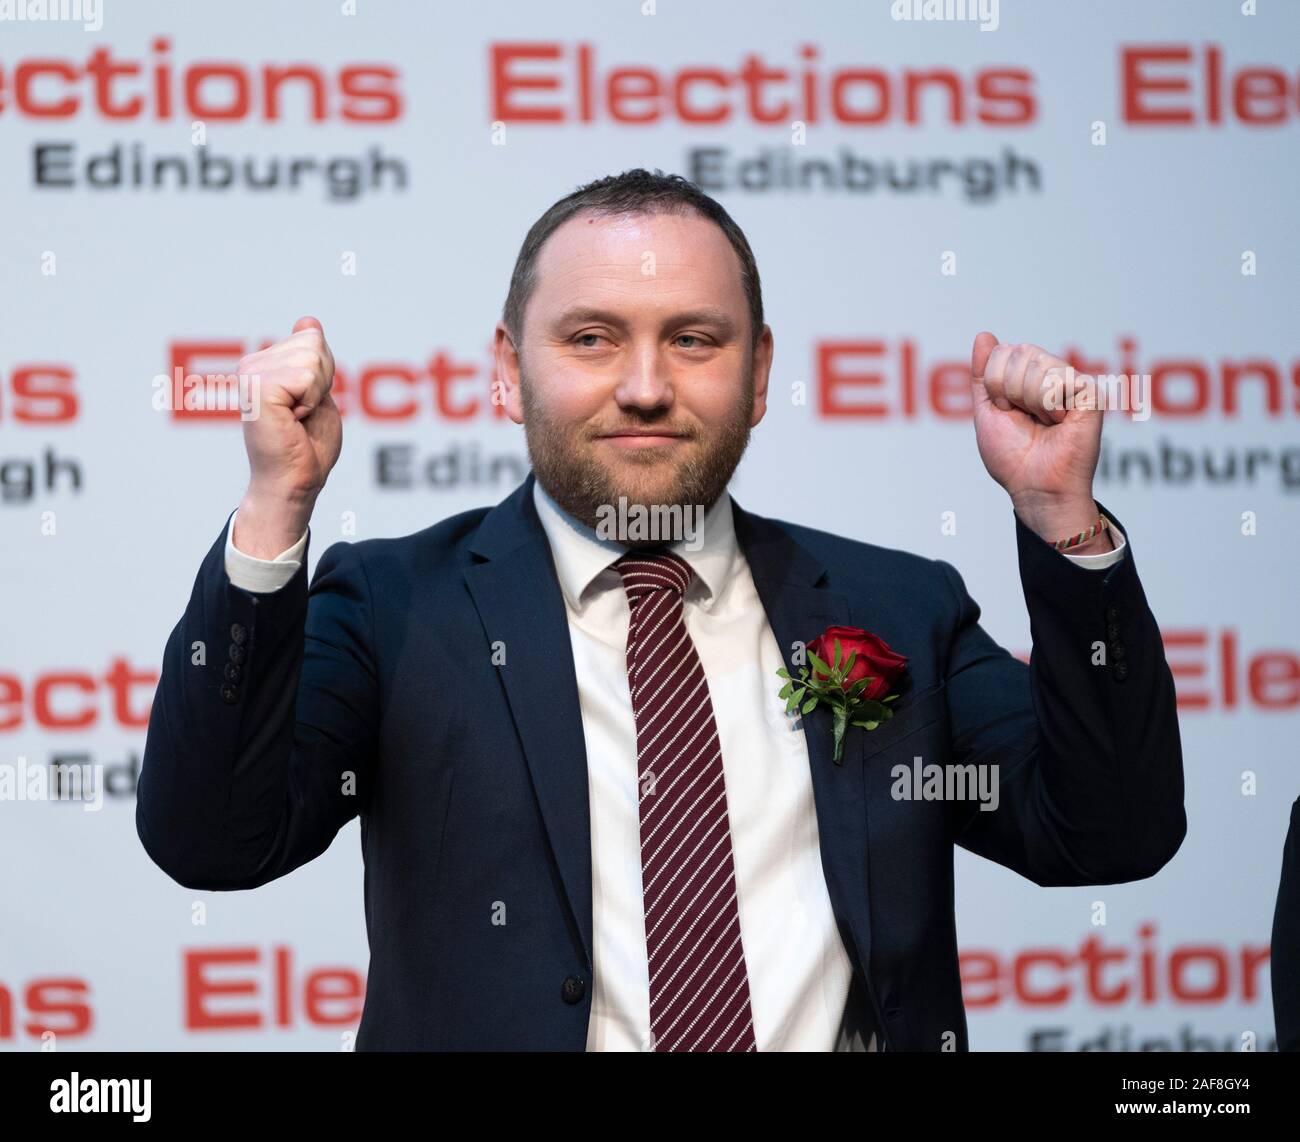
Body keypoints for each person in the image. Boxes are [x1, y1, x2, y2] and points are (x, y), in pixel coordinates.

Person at [137, 168, 1185, 1051]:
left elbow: (1110, 835)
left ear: (760, 371)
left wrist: (1062, 521)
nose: (644, 385)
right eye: (591, 338)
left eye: (694, 339)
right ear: (507, 372)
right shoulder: (393, 604)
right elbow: (214, 841)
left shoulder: (896, 608)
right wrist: (277, 508)